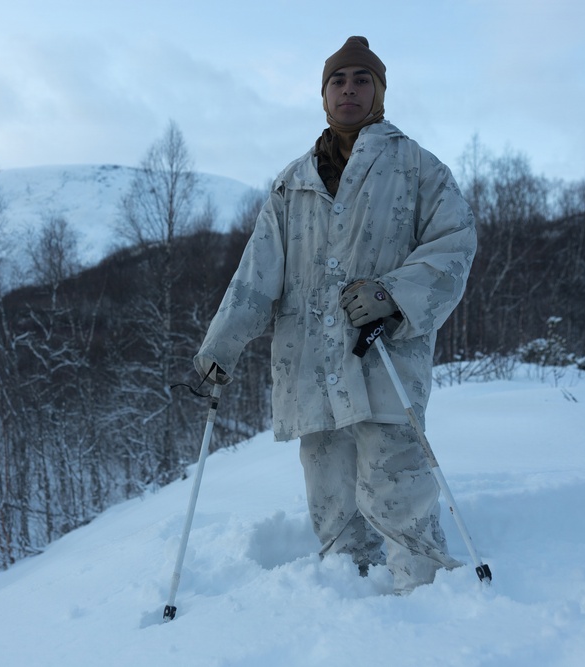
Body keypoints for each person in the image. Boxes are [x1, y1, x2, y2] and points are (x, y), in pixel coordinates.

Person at [194, 36, 477, 594]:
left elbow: (455, 243)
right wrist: (221, 345)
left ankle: (425, 597)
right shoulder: (292, 183)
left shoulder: (417, 167)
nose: (349, 89)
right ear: (324, 94)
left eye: (361, 79)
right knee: (330, 498)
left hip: (383, 357)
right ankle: (346, 598)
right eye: (338, 80)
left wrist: (393, 294)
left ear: (380, 91)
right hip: (310, 366)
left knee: (396, 485)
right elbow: (256, 274)